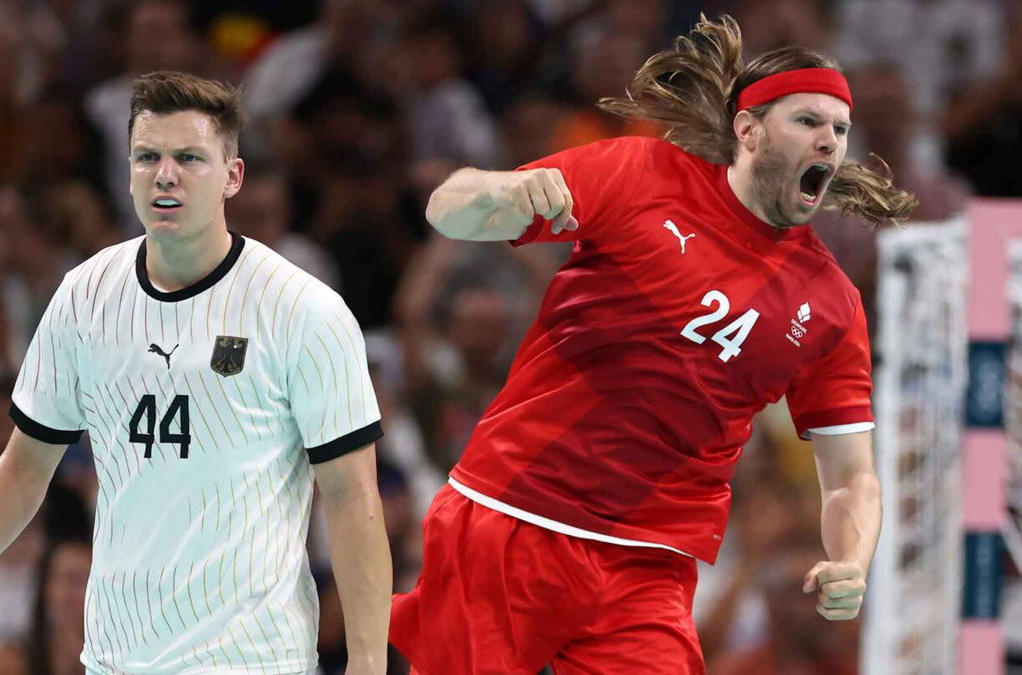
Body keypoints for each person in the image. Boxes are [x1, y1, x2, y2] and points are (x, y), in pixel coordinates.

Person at [390, 14, 914, 674]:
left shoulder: (831, 303)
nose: (831, 141)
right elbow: (449, 206)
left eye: (840, 128)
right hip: (511, 515)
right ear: (747, 131)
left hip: (647, 563)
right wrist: (498, 190)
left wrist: (851, 555)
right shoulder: (642, 174)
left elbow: (851, 475)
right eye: (808, 121)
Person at [0, 71, 392, 675]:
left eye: (189, 158)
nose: (166, 174)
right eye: (147, 157)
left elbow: (351, 495)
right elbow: (27, 464)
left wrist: (368, 661)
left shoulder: (301, 310)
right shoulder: (84, 296)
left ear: (232, 177)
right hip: (116, 660)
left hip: (255, 661)